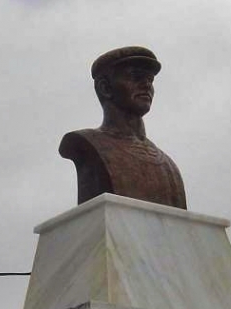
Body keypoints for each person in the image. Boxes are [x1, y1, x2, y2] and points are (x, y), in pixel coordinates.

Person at [59, 46, 187, 209]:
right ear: (105, 88)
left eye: (150, 80)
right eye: (135, 77)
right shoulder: (87, 143)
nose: (146, 85)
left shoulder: (168, 165)